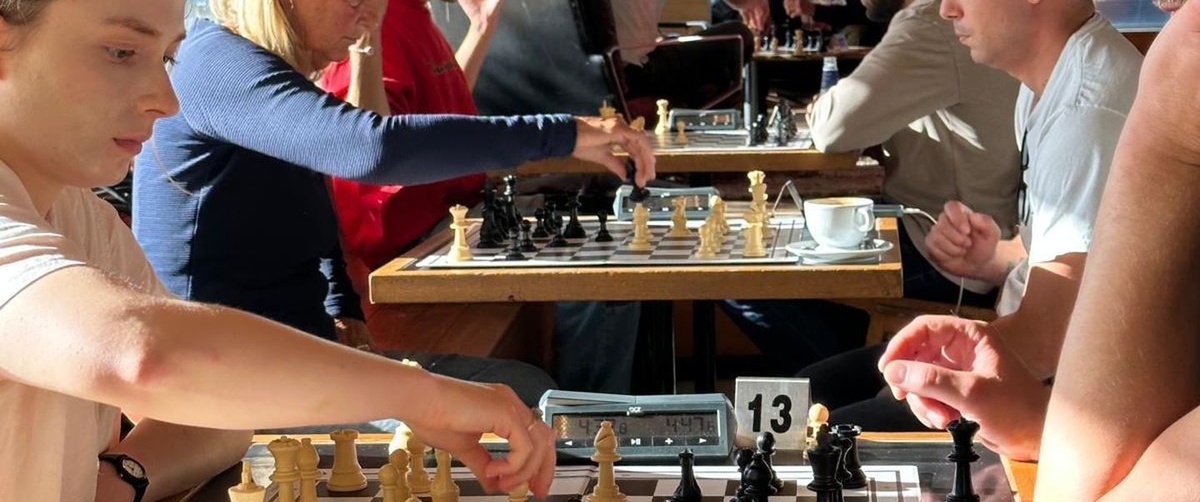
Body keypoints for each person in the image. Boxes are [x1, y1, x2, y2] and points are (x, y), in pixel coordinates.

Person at [0, 0, 560, 500]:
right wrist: (421, 396)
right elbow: (146, 357)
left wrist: (123, 478)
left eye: (166, 57)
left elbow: (214, 412)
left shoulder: (84, 220)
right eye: (122, 52)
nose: (166, 101)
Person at [132, 0, 656, 407]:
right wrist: (562, 133)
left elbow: (314, 211)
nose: (368, 18)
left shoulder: (265, 68)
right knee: (522, 399)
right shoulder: (212, 61)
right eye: (354, 0)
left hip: (293, 357)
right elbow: (372, 147)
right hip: (223, 386)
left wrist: (341, 309)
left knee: (527, 392)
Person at [880, 0, 1200, 495]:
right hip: (1061, 416)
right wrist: (997, 258)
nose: (946, 9)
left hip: (1066, 400)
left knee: (835, 411)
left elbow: (1051, 337)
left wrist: (1043, 427)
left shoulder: (1093, 107)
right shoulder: (1044, 88)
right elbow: (1081, 266)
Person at [719, 0, 1021, 405]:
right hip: (987, 235)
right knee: (769, 241)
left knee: (736, 267)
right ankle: (851, 376)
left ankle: (856, 386)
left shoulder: (931, 23)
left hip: (947, 252)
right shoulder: (967, 19)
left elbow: (833, 127)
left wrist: (821, 104)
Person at [615, 0, 757, 117]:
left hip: (610, 71)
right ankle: (703, 118)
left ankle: (693, 110)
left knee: (710, 65)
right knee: (739, 36)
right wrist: (755, 4)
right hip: (635, 72)